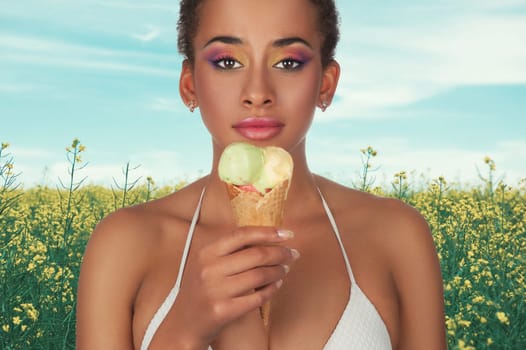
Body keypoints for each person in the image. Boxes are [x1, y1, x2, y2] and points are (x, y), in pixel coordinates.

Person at [76, 0, 446, 349]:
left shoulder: (396, 234)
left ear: (325, 84)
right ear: (189, 85)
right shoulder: (124, 244)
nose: (257, 93)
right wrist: (184, 329)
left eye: (287, 62)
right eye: (227, 62)